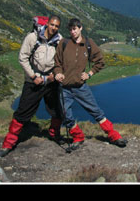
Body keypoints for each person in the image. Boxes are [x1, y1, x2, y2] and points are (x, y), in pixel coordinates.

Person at [0, 15, 64, 158]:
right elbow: (23, 58)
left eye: (57, 26)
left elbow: (61, 60)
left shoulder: (59, 40)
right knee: (23, 111)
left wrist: (55, 74)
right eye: (52, 24)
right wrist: (33, 76)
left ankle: (55, 134)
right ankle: (8, 143)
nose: (54, 28)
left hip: (51, 81)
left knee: (57, 110)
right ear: (47, 24)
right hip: (33, 81)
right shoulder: (32, 38)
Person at [54, 18, 127, 149]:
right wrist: (58, 73)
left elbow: (100, 62)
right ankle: (78, 137)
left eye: (74, 29)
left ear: (80, 28)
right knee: (66, 115)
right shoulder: (63, 43)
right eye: (70, 29)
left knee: (96, 112)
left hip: (81, 87)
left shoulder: (88, 43)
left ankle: (114, 136)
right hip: (64, 88)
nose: (72, 32)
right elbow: (57, 63)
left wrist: (90, 74)